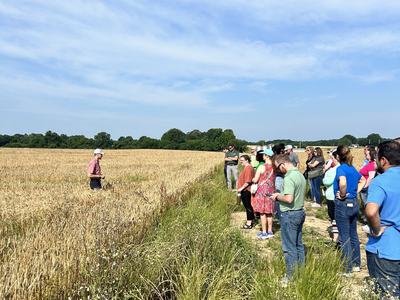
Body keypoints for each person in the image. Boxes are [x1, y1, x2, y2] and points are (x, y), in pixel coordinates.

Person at [365, 141, 400, 298]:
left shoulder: (381, 181)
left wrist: (376, 229)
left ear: (384, 160)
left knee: (386, 294)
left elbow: (371, 211)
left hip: (386, 248)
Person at [271, 154, 306, 279]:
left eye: (278, 167)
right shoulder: (300, 175)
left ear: (283, 164)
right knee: (298, 245)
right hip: (300, 212)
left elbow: (288, 198)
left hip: (290, 214)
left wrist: (277, 196)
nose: (278, 170)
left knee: (289, 247)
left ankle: (291, 277)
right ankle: (300, 273)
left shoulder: (289, 177)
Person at [334, 145, 365, 275]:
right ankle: (356, 264)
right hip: (353, 203)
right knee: (353, 234)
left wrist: (342, 194)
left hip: (343, 204)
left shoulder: (340, 169)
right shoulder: (352, 168)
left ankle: (347, 268)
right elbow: (363, 180)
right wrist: (354, 192)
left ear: (338, 156)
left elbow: (342, 183)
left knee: (344, 237)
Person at [252, 149, 276, 240]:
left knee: (262, 213)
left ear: (266, 156)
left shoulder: (261, 167)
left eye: (263, 155)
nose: (262, 156)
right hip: (271, 190)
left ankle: (264, 232)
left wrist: (254, 179)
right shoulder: (274, 167)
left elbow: (256, 179)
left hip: (262, 191)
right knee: (269, 212)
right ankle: (270, 231)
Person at [322, 151, 340, 242]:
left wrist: (325, 172)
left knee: (334, 217)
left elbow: (326, 182)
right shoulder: (346, 168)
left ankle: (336, 237)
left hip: (331, 196)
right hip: (341, 196)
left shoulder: (334, 170)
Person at [237, 155, 256, 229]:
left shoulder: (248, 168)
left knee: (248, 207)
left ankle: (249, 224)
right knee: (248, 206)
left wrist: (241, 189)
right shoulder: (248, 167)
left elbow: (247, 181)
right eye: (240, 160)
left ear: (247, 160)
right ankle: (252, 221)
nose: (241, 161)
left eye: (242, 160)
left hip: (246, 190)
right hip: (246, 190)